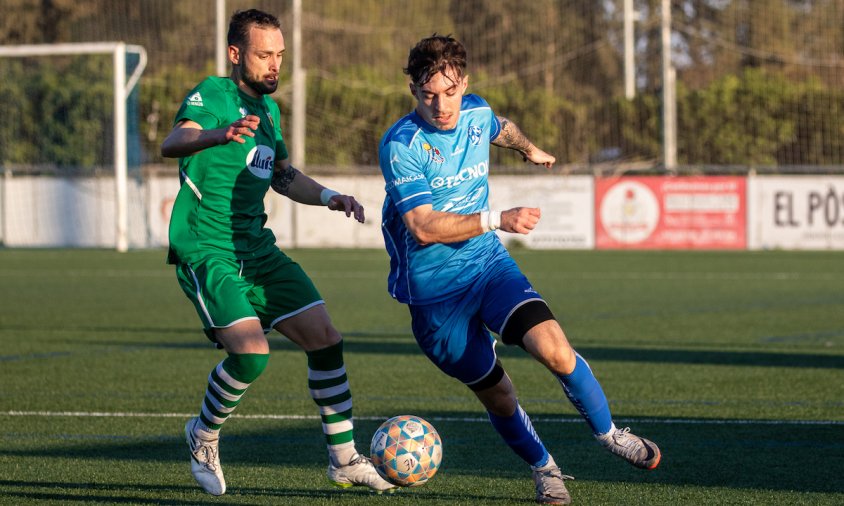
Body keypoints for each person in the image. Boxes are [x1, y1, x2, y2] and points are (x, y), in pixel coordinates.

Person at [378, 34, 661, 505]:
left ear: (463, 84)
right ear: (412, 90)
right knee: (501, 396)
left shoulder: (475, 112)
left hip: (488, 266)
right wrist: (498, 219)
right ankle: (545, 469)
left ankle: (610, 433)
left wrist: (528, 148)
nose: (441, 105)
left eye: (450, 92)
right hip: (433, 297)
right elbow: (422, 227)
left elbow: (500, 127)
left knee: (556, 350)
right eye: (428, 95)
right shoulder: (401, 145)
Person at [160, 8, 394, 497]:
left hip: (258, 251)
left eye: (279, 56)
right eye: (264, 55)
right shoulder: (214, 95)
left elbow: (283, 175)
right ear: (235, 54)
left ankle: (344, 459)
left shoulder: (270, 112)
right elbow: (173, 140)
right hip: (208, 250)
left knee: (326, 338)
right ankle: (203, 435)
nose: (274, 65)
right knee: (251, 354)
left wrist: (329, 195)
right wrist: (215, 134)